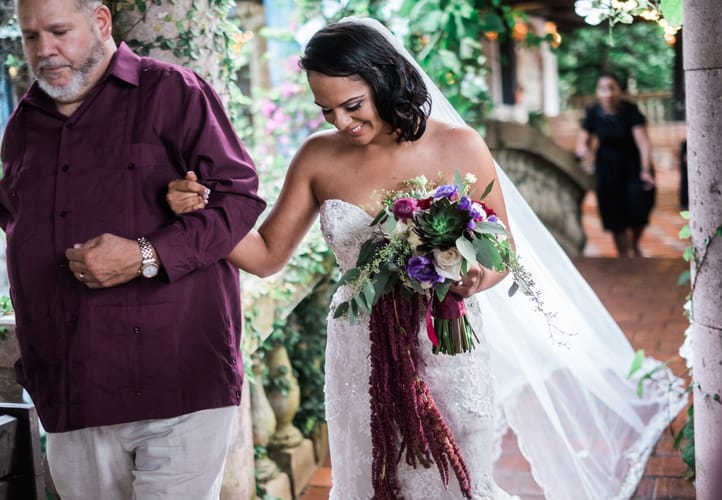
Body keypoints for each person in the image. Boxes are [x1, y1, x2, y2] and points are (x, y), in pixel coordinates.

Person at [169, 18, 686, 500]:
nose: (342, 122)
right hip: (358, 347)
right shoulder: (316, 158)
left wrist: (477, 276)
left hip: (446, 339)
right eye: (326, 110)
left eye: (352, 104)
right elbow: (264, 257)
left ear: (384, 79)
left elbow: (502, 247)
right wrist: (202, 214)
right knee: (370, 470)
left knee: (457, 469)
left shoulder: (460, 145)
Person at [0, 1, 266, 499]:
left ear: (101, 22)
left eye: (59, 31)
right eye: (31, 37)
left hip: (176, 383)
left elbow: (240, 200)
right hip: (70, 390)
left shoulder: (174, 92)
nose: (44, 50)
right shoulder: (23, 124)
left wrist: (147, 254)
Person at [576, 71, 656, 257]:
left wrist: (646, 170)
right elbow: (581, 142)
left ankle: (634, 244)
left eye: (612, 88)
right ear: (598, 92)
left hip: (634, 164)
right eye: (603, 89)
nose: (608, 93)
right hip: (607, 167)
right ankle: (624, 254)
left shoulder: (630, 110)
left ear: (619, 90)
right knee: (613, 211)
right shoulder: (593, 112)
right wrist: (584, 155)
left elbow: (643, 143)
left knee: (639, 205)